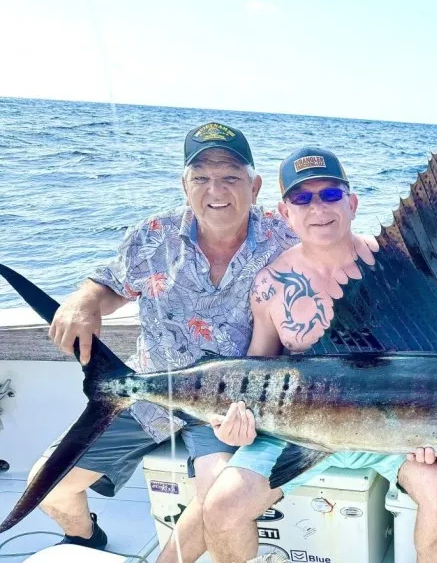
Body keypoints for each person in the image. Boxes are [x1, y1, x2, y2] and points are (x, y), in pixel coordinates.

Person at [33, 123, 375, 562]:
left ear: (254, 186)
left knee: (217, 498)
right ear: (185, 185)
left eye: (230, 177)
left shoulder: (289, 234)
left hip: (230, 406)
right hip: (150, 393)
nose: (216, 190)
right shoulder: (152, 235)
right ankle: (86, 538)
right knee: (49, 487)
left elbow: (339, 256)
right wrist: (84, 300)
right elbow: (112, 284)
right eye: (202, 177)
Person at [201, 147, 437, 563]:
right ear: (285, 213)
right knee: (220, 509)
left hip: (393, 429)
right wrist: (234, 425)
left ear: (352, 203)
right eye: (302, 198)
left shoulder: (396, 267)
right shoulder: (270, 285)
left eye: (330, 195)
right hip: (295, 431)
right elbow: (256, 368)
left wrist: (434, 430)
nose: (318, 208)